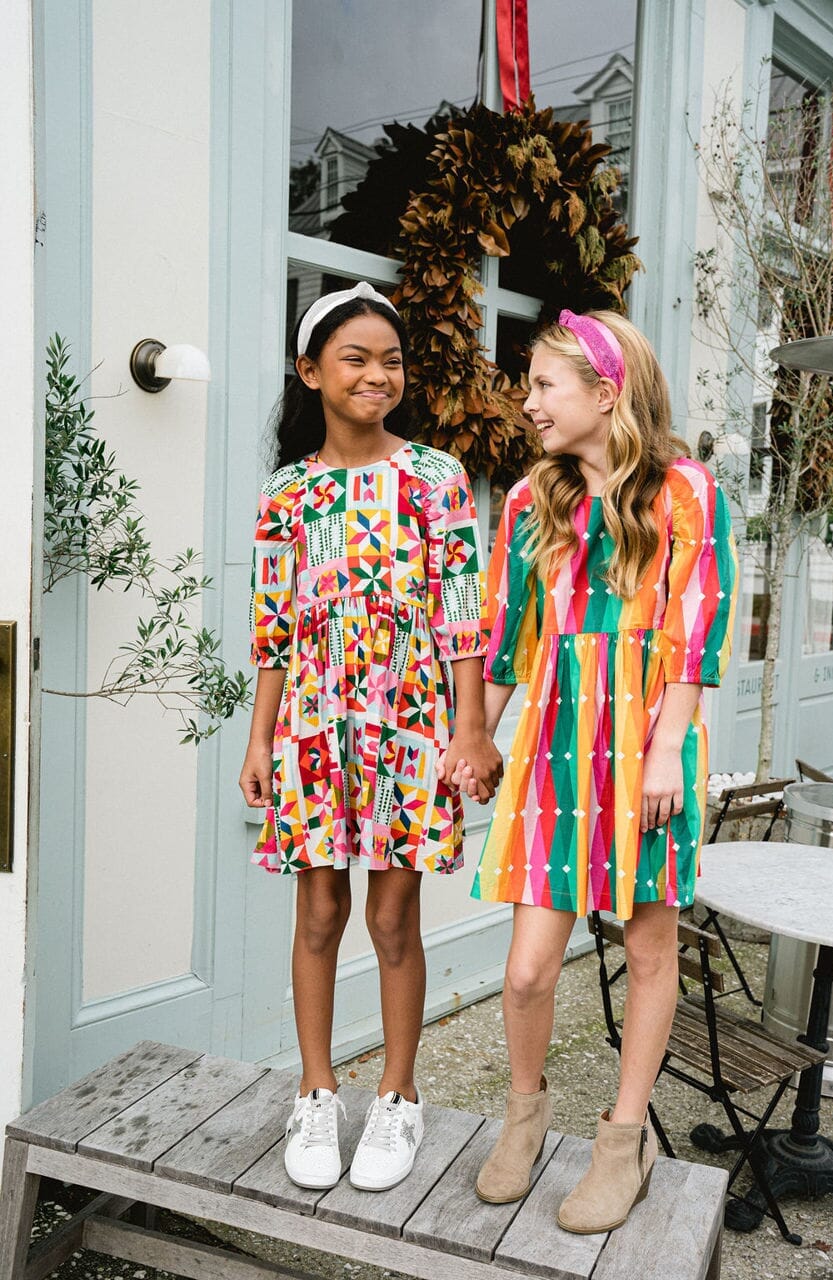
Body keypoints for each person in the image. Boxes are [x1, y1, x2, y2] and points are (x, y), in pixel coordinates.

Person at [443, 308, 738, 1233]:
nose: (526, 402)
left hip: (650, 738)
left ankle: (623, 1140)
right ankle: (524, 1114)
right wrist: (476, 738)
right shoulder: (534, 503)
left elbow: (696, 633)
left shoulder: (685, 491)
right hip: (559, 742)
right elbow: (506, 635)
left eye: (542, 385)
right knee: (529, 971)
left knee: (648, 949)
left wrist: (662, 755)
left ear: (604, 396)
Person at [239, 282, 503, 1194]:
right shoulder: (286, 493)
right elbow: (273, 625)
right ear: (311, 371)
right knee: (318, 913)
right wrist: (259, 739)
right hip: (314, 721)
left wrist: (469, 726)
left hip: (410, 726)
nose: (376, 375)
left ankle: (396, 1097)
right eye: (355, 358)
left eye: (390, 360)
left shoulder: (433, 479)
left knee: (393, 918)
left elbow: (466, 615)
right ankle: (316, 1092)